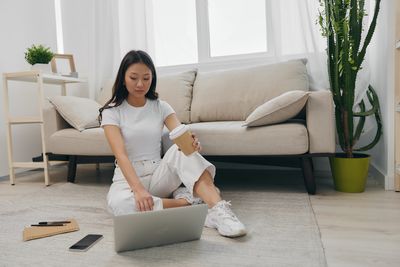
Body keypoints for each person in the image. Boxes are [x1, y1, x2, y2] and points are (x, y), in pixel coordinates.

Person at [99, 50, 247, 238]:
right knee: (121, 206)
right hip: (126, 179)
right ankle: (188, 203)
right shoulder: (111, 112)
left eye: (146, 78)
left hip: (158, 173)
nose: (140, 84)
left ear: (152, 78)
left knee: (183, 151)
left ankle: (219, 211)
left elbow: (179, 134)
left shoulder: (160, 106)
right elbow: (120, 154)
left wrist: (190, 143)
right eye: (133, 77)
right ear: (123, 78)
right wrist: (138, 190)